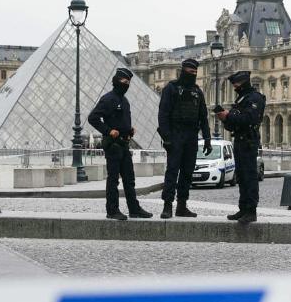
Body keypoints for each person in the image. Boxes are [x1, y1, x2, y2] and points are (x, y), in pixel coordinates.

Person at [88, 68, 153, 221]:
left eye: (129, 82)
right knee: (113, 179)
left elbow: (122, 122)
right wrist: (108, 130)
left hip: (124, 144)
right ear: (117, 81)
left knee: (129, 179)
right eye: (124, 81)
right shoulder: (108, 99)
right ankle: (112, 210)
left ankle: (134, 209)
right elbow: (93, 118)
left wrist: (129, 130)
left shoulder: (125, 101)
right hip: (113, 146)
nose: (127, 84)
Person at [157, 59, 212, 219]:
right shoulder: (171, 88)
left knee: (187, 173)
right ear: (183, 71)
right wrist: (167, 138)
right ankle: (167, 205)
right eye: (190, 72)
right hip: (176, 134)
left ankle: (182, 205)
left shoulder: (197, 91)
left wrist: (207, 138)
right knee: (172, 171)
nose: (192, 74)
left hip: (191, 136)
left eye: (195, 72)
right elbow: (163, 114)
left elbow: (203, 117)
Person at [216, 71, 266, 223]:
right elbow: (233, 125)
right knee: (241, 176)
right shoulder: (241, 99)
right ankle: (243, 208)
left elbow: (249, 118)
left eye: (236, 84)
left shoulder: (255, 98)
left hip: (249, 141)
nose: (235, 87)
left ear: (244, 82)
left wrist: (229, 116)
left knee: (250, 176)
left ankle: (251, 211)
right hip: (239, 140)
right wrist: (224, 119)